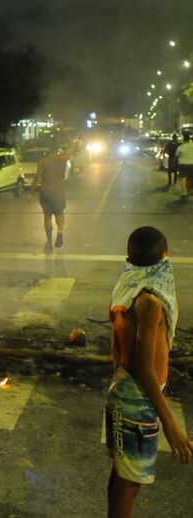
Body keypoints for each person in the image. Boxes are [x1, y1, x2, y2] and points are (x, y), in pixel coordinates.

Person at [106, 226, 193, 517]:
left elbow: (116, 350)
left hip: (123, 390)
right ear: (164, 258)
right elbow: (145, 368)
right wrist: (171, 426)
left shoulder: (125, 287)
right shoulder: (150, 302)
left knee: (122, 477)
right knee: (130, 485)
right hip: (138, 400)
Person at [31, 147, 70, 251]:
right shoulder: (62, 159)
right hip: (58, 192)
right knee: (60, 214)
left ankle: (49, 242)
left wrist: (31, 192)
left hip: (45, 193)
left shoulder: (43, 162)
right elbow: (72, 146)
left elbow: (37, 178)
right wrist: (65, 131)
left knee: (47, 217)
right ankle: (60, 233)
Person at [175, 133, 193, 198]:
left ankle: (184, 192)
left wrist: (175, 164)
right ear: (189, 139)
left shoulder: (180, 147)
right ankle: (189, 190)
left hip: (183, 164)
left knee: (183, 178)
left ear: (183, 139)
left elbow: (176, 156)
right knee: (191, 178)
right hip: (192, 164)